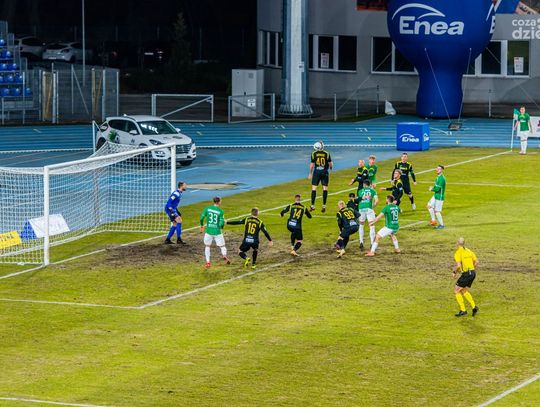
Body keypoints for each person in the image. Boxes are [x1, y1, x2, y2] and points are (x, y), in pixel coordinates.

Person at [199, 196, 230, 268]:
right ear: (219, 202)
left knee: (207, 246)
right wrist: (222, 226)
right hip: (217, 232)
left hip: (208, 231)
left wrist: (202, 225)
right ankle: (224, 255)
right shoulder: (220, 211)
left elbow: (201, 218)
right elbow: (221, 223)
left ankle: (208, 262)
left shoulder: (207, 208)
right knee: (222, 246)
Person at [453, 237, 479, 317]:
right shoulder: (469, 251)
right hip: (473, 273)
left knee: (456, 290)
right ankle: (474, 307)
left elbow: (458, 266)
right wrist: (471, 269)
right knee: (463, 290)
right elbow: (477, 262)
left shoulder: (458, 253)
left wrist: (454, 272)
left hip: (466, 274)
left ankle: (463, 310)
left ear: (457, 243)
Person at [308, 141, 333, 212]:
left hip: (316, 172)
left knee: (314, 189)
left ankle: (312, 206)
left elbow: (312, 165)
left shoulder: (313, 153)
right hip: (324, 172)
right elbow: (330, 164)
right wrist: (331, 168)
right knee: (325, 189)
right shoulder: (327, 153)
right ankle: (324, 205)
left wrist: (310, 173)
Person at [357, 179, 379, 249]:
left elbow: (358, 200)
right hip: (369, 208)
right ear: (369, 185)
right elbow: (376, 201)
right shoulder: (373, 191)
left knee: (361, 225)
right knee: (371, 225)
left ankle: (361, 242)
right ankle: (372, 243)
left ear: (364, 184)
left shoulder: (360, 191)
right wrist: (372, 206)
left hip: (361, 209)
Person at [428, 165, 446, 229]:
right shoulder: (438, 177)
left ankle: (442, 225)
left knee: (437, 211)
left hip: (439, 197)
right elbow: (437, 187)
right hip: (435, 195)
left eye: (439, 169)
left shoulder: (441, 178)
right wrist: (433, 188)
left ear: (442, 170)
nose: (437, 170)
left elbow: (438, 189)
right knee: (429, 206)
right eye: (437, 168)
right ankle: (433, 221)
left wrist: (432, 189)